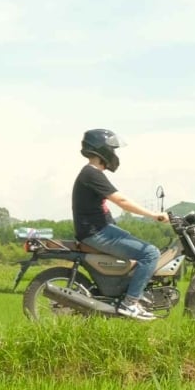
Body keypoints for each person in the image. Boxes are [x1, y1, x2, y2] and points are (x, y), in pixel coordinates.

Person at [73, 129, 169, 321]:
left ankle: (131, 295)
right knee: (150, 253)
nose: (114, 154)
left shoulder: (91, 173)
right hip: (96, 233)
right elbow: (122, 201)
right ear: (102, 149)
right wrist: (153, 215)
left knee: (140, 248)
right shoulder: (92, 174)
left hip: (99, 230)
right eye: (112, 149)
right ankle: (130, 303)